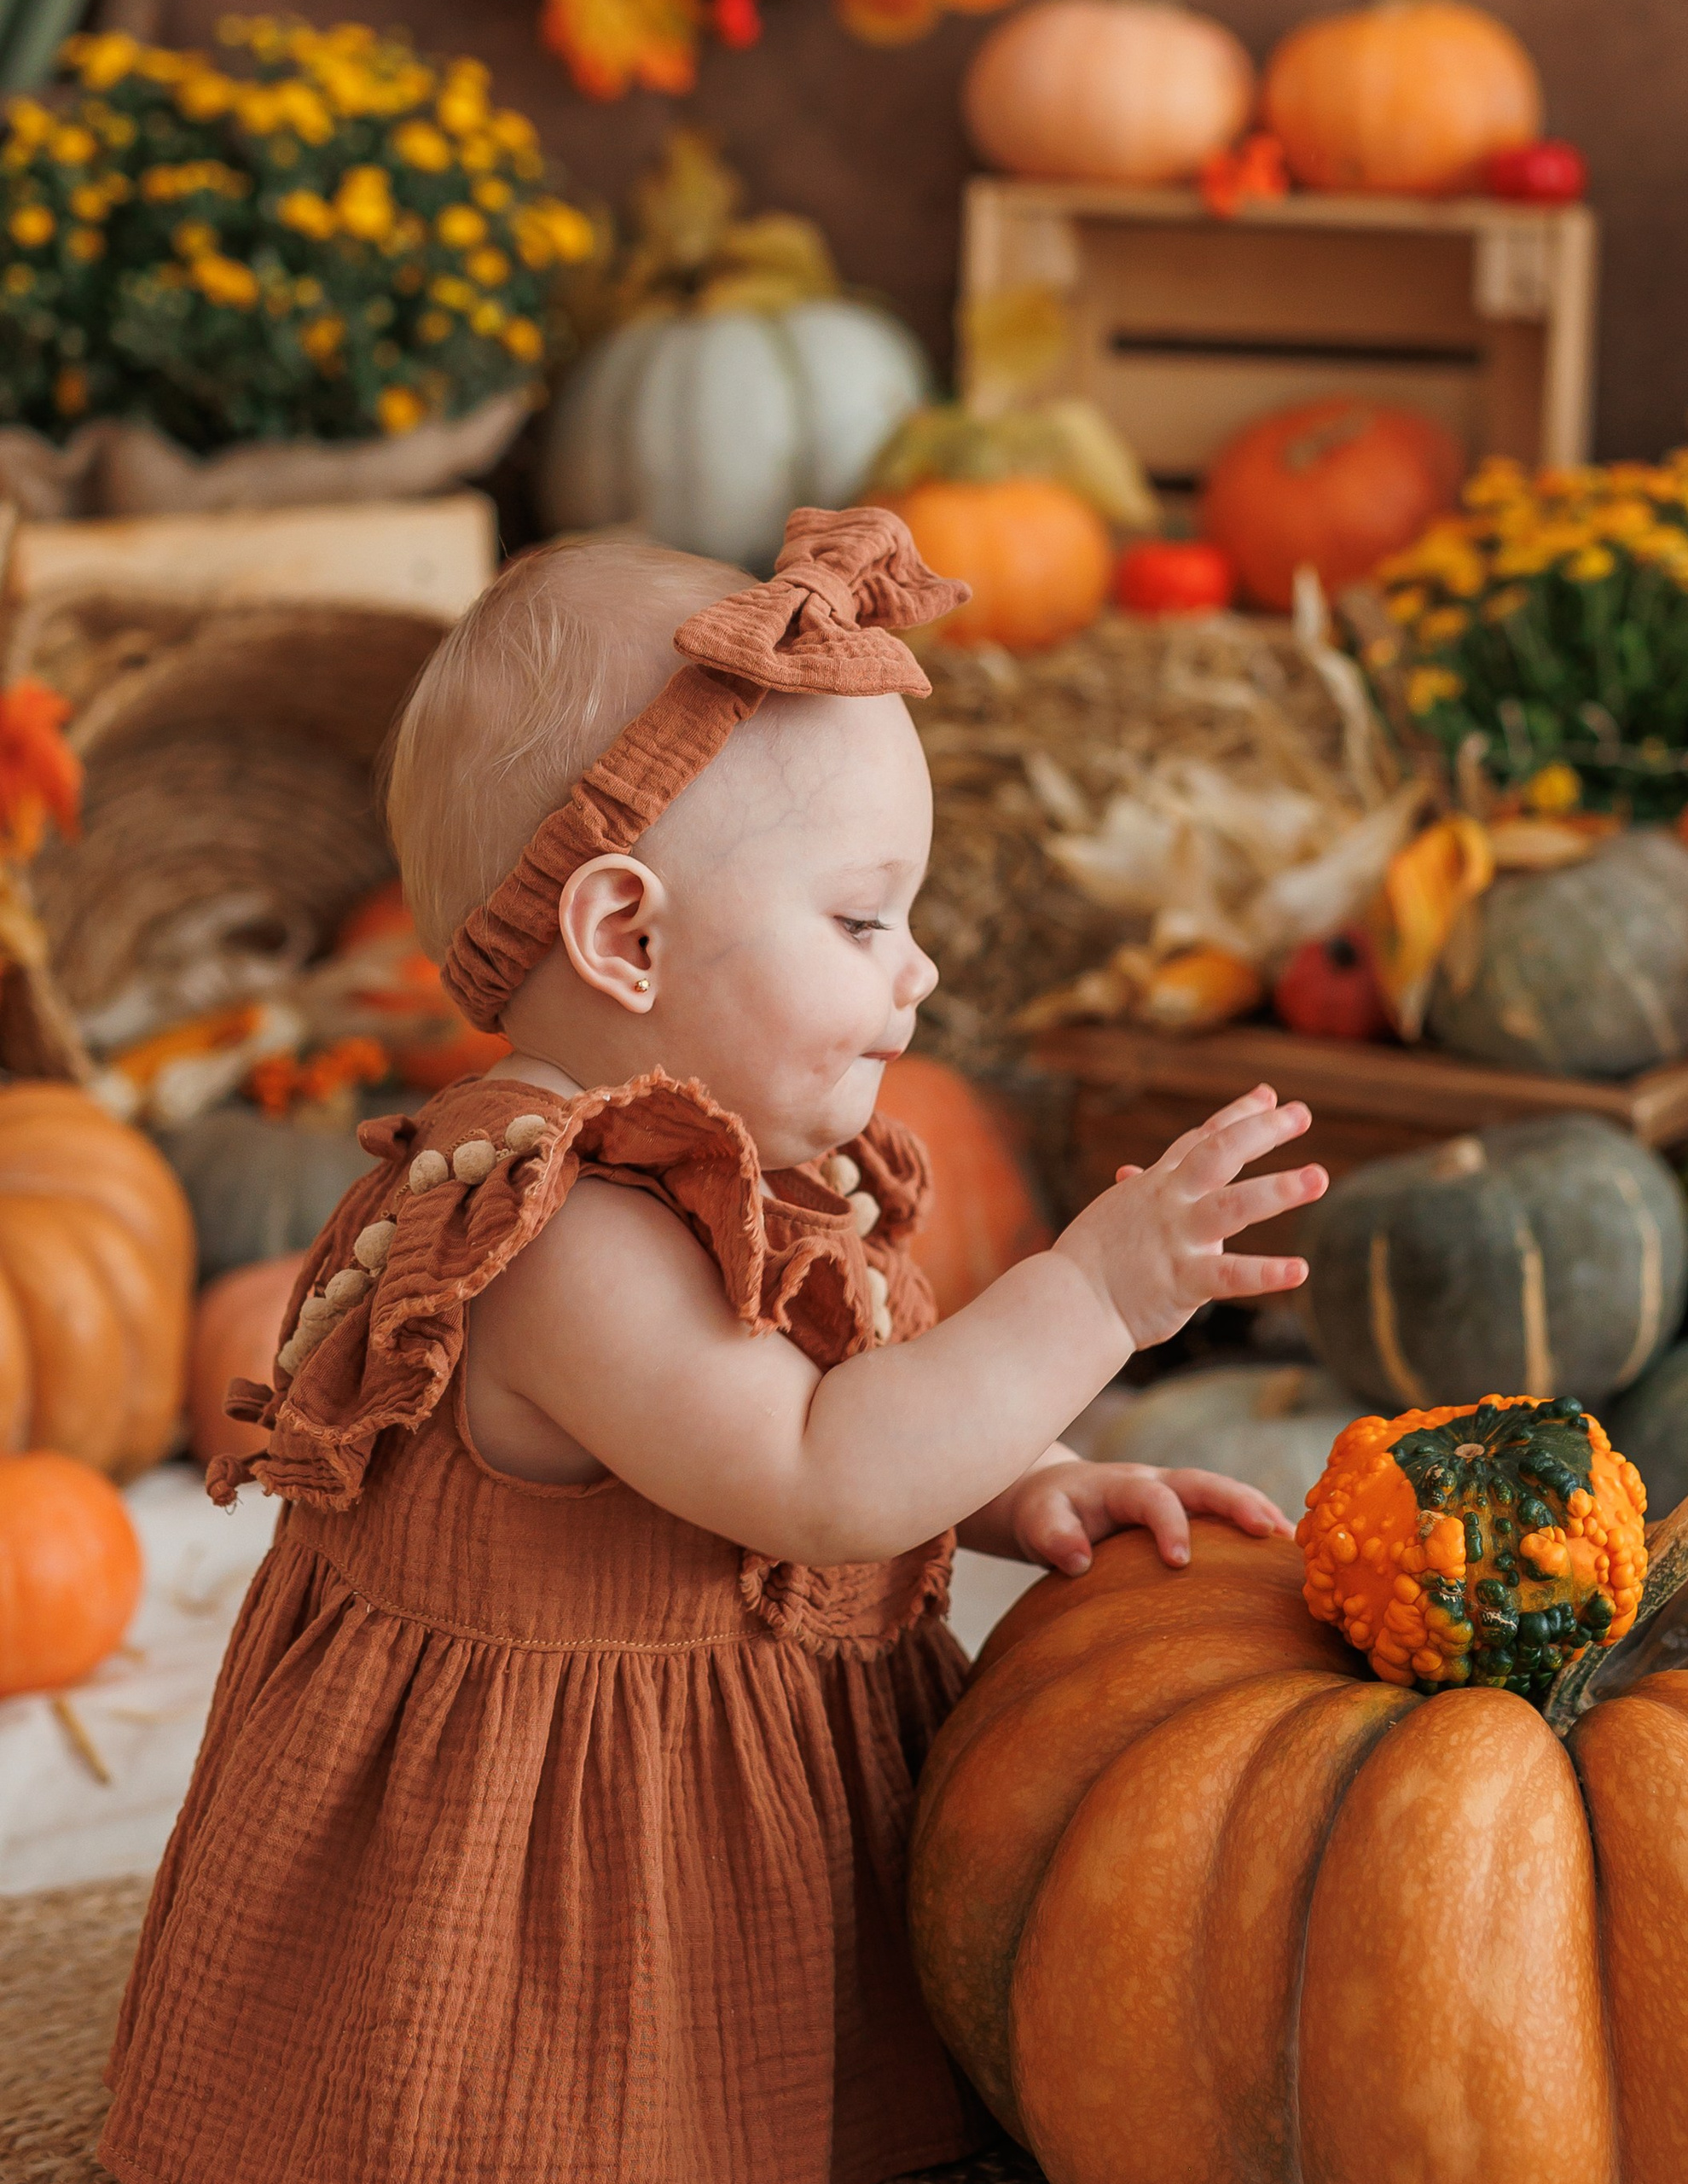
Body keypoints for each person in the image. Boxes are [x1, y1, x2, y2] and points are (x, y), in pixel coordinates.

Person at [102, 507, 1326, 2184]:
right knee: (592, 2118)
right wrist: (1091, 1295)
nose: (922, 965)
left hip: (723, 1772)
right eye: (859, 921)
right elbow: (817, 1472)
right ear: (623, 935)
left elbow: (846, 1399)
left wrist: (1021, 1479)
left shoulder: (745, 1173)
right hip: (570, 1856)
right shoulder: (558, 1234)